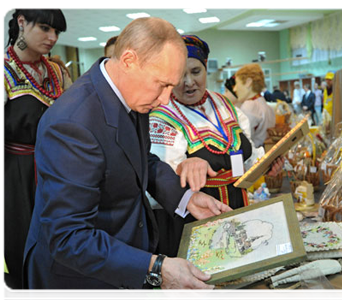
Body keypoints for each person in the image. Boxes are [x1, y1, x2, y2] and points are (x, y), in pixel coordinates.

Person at [23, 18, 232, 300]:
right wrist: (156, 267)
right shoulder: (72, 123)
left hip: (120, 259)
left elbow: (140, 159)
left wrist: (186, 200)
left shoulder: (135, 94)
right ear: (130, 60)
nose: (166, 100)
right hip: (79, 280)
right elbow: (67, 237)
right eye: (162, 85)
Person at [149, 35, 283, 257]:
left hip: (237, 211)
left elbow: (244, 161)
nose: (189, 81)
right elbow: (156, 181)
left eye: (195, 71)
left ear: (205, 70)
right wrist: (183, 167)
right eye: (180, 74)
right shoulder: (162, 116)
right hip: (193, 222)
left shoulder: (226, 106)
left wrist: (265, 166)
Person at [2, 8, 70, 300]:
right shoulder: (2, 71)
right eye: (44, 28)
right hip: (15, 177)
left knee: (63, 244)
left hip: (57, 170)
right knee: (22, 247)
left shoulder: (55, 71)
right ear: (21, 23)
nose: (52, 38)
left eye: (56, 32)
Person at [233, 63, 276, 148]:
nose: (235, 89)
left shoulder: (249, 106)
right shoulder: (267, 106)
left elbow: (241, 139)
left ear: (248, 82)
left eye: (237, 83)